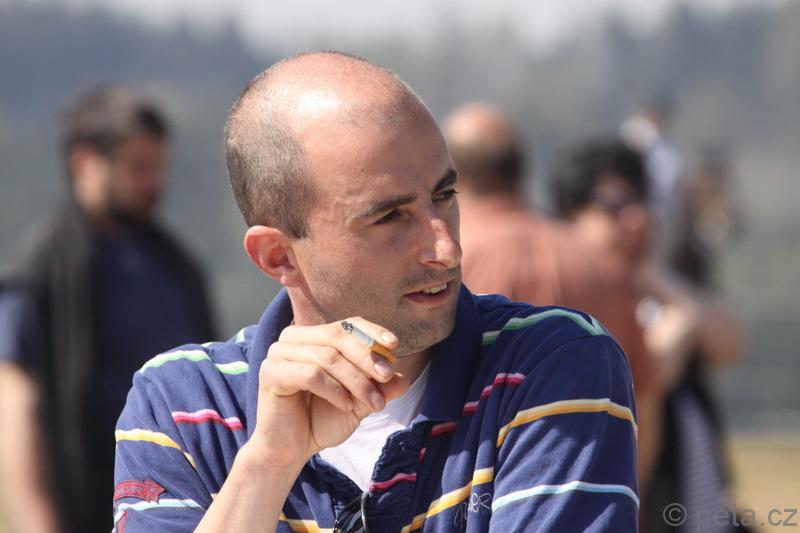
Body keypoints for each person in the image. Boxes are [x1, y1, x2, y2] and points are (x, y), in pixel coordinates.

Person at [113, 52, 638, 532]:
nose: (446, 248)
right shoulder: (180, 404)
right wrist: (268, 462)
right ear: (277, 256)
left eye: (445, 194)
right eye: (389, 217)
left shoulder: (552, 362)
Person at [0, 86, 217, 533]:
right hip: (84, 507)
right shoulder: (39, 273)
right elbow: (14, 403)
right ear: (85, 163)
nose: (154, 182)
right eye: (138, 167)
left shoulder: (177, 268)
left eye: (159, 167)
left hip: (177, 506)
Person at [450, 105, 662, 497]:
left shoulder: (446, 263)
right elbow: (644, 404)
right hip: (596, 504)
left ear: (452, 174)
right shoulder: (602, 263)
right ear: (519, 169)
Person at [549, 138, 743, 532]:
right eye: (614, 206)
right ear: (571, 214)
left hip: (682, 493)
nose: (634, 219)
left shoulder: (650, 283)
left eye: (638, 202)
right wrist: (678, 324)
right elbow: (638, 381)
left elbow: (731, 343)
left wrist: (652, 278)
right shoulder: (566, 294)